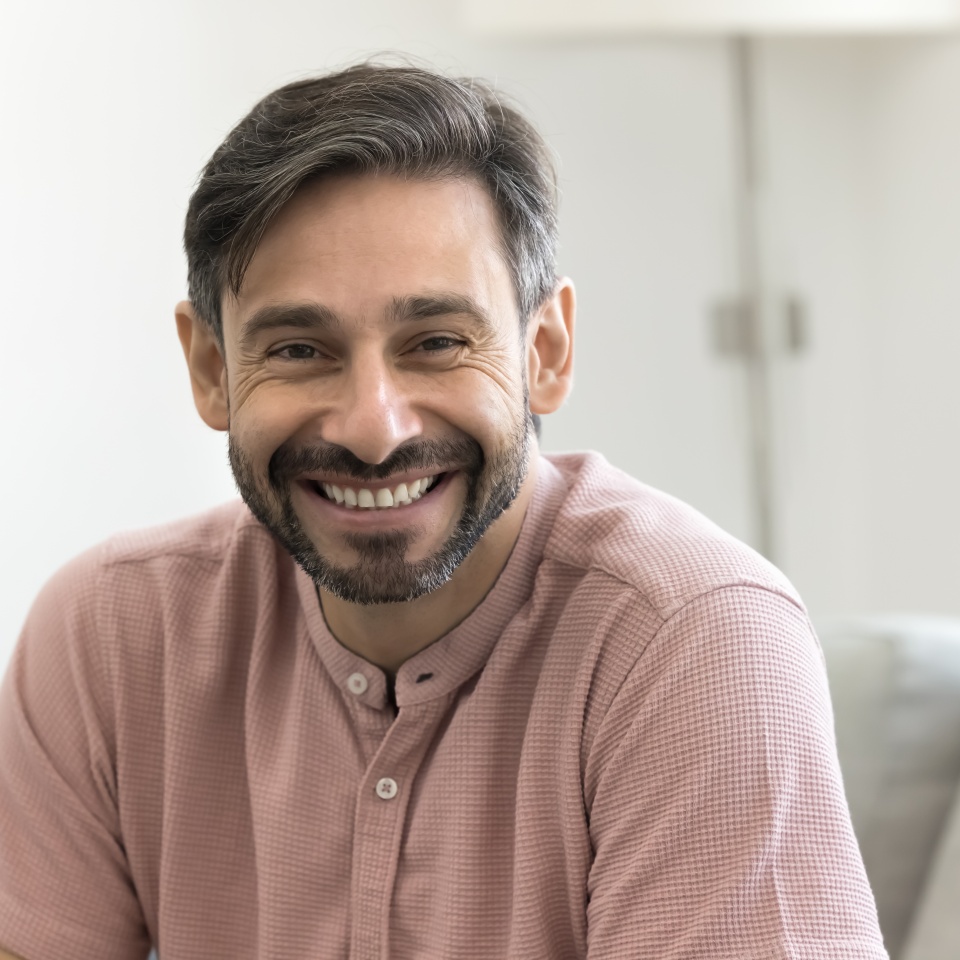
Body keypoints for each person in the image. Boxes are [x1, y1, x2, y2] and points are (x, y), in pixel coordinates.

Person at [0, 63, 887, 960]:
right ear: (210, 370)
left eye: (435, 343)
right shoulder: (106, 636)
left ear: (544, 351)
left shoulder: (693, 640)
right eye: (301, 349)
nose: (374, 430)